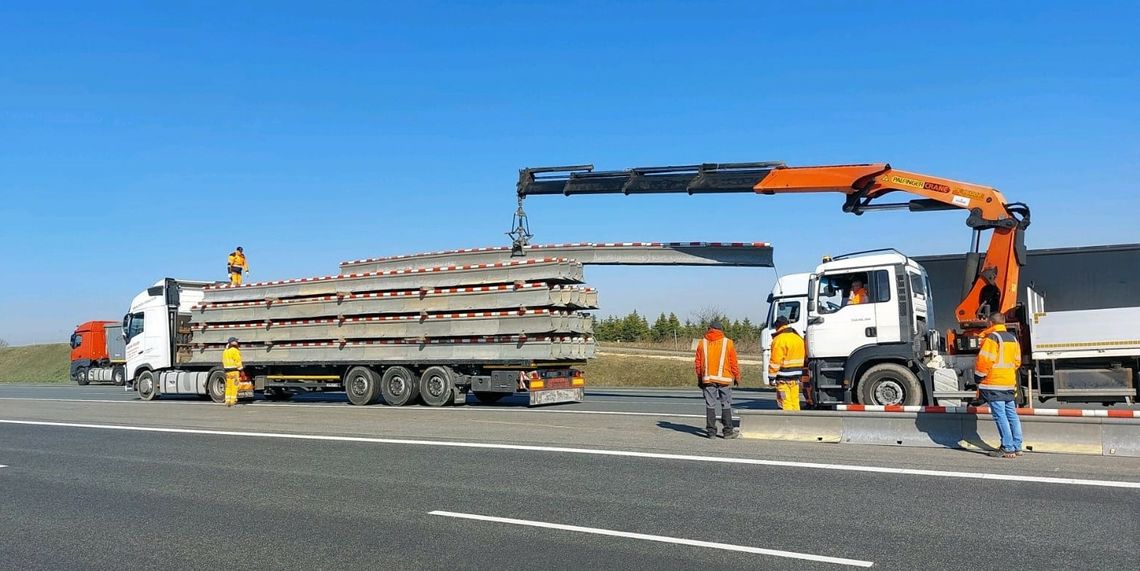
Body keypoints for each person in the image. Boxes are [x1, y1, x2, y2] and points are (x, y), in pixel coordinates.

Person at [975, 312, 1024, 458]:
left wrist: (978, 377)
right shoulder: (1013, 339)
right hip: (1009, 382)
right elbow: (1017, 362)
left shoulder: (992, 338)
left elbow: (985, 360)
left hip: (994, 382)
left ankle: (1007, 447)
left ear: (990, 323)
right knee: (1012, 414)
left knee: (1000, 415)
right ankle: (1017, 446)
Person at [694, 320, 741, 439]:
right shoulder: (728, 343)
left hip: (708, 379)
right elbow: (733, 362)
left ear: (709, 329)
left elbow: (698, 363)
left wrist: (700, 378)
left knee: (710, 404)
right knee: (726, 404)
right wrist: (736, 376)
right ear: (721, 330)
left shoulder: (702, 343)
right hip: (724, 379)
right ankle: (728, 431)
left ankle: (711, 432)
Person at [767, 316, 806, 411]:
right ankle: (797, 421)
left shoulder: (779, 340)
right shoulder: (798, 338)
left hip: (783, 376)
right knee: (795, 400)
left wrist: (771, 377)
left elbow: (775, 361)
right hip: (796, 375)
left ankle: (787, 421)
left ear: (777, 326)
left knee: (785, 401)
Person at [221, 337, 244, 407]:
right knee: (234, 386)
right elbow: (238, 361)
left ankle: (227, 400)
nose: (237, 342)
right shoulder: (235, 350)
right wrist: (241, 370)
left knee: (228, 386)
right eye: (236, 341)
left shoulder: (225, 351)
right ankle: (233, 401)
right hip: (234, 371)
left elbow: (223, 361)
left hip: (227, 371)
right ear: (233, 342)